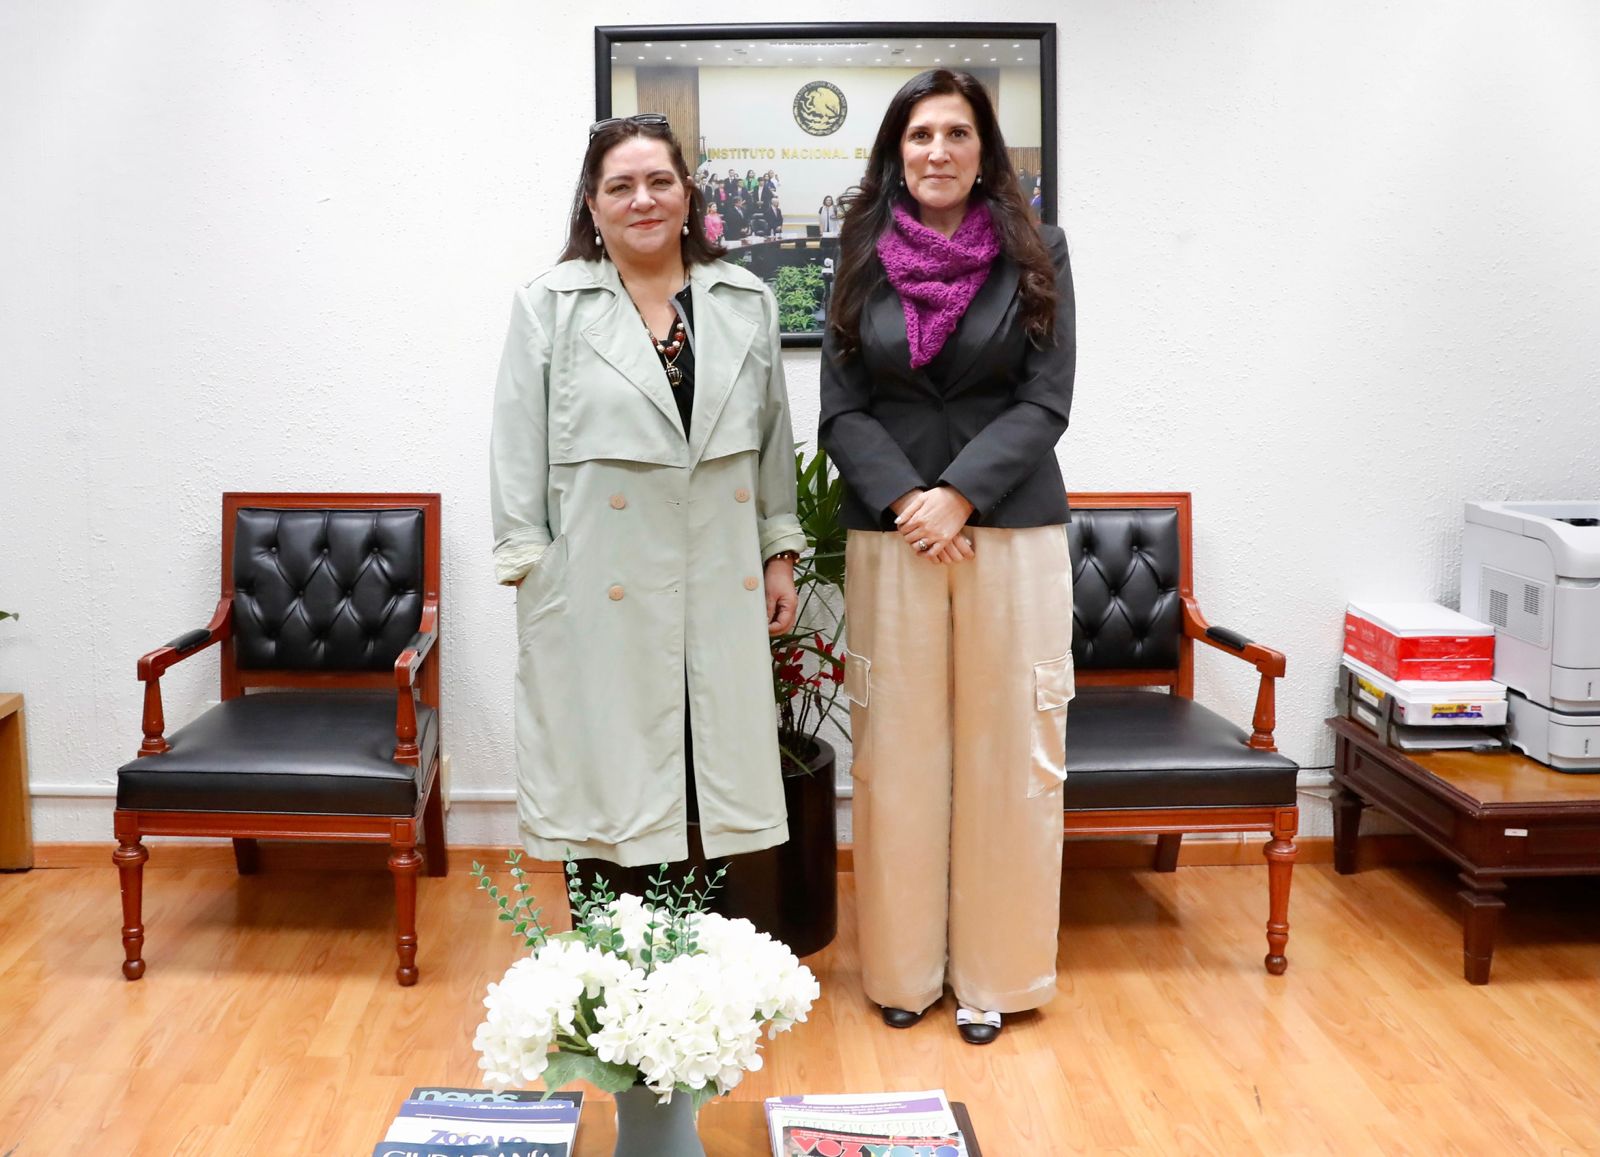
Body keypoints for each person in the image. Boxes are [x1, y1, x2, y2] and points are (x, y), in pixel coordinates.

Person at [818, 70, 1076, 1046]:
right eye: (920, 133)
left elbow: (1047, 397)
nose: (937, 150)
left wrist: (958, 493)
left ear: (983, 150)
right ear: (898, 149)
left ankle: (995, 976)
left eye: (956, 133)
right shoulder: (859, 248)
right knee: (896, 754)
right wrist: (908, 501)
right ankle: (902, 970)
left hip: (1008, 527)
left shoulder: (1038, 248)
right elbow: (841, 407)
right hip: (893, 534)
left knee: (1011, 754)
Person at [491, 113, 805, 899]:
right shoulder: (549, 306)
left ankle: (715, 962)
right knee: (611, 777)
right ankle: (613, 959)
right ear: (592, 204)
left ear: (688, 195)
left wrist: (779, 552)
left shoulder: (744, 301)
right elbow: (516, 447)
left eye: (660, 181)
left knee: (714, 775)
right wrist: (533, 567)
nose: (643, 199)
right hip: (600, 581)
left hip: (718, 578)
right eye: (621, 186)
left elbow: (772, 438)